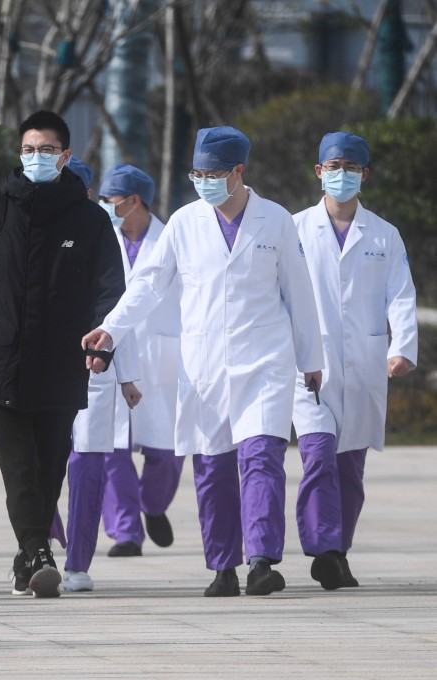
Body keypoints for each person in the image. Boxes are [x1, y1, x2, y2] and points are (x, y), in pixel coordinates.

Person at [82, 126, 324, 597]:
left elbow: (300, 292)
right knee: (212, 467)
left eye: (214, 173)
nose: (205, 181)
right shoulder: (184, 222)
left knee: (262, 458)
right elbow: (149, 284)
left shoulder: (275, 220)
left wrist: (310, 359)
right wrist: (112, 327)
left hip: (266, 360)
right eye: (198, 173)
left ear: (239, 172)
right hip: (205, 363)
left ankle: (260, 561)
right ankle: (223, 567)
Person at [0, 111, 126, 599]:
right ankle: (40, 551)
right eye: (28, 149)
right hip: (2, 357)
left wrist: (102, 342)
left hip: (62, 361)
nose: (36, 158)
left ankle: (27, 556)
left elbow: (110, 290)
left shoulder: (89, 219)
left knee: (49, 466)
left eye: (46, 150)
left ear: (66, 156)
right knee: (19, 467)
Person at [291, 132, 417, 590]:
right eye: (332, 166)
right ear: (318, 171)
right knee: (319, 456)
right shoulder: (295, 228)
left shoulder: (384, 235)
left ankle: (338, 551)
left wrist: (401, 347)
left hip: (364, 364)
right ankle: (323, 548)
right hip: (310, 364)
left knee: (350, 469)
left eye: (350, 167)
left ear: (365, 174)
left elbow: (401, 295)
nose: (340, 175)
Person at [45, 157, 143, 593]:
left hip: (94, 366)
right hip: (39, 367)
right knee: (39, 461)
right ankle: (41, 545)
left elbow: (125, 312)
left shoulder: (110, 239)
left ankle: (78, 563)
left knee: (87, 461)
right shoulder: (28, 230)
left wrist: (128, 375)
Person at [95, 165, 184, 559]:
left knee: (165, 451)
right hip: (111, 354)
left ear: (134, 202)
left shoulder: (173, 240)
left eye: (110, 201)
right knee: (114, 449)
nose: (104, 207)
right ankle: (125, 532)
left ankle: (154, 504)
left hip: (161, 357)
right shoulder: (100, 240)